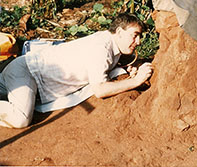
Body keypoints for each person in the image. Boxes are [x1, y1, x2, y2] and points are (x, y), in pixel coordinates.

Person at [0, 13, 153, 128]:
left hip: (34, 82)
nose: (138, 42)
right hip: (27, 72)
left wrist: (127, 69)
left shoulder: (112, 45)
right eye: (135, 35)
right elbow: (100, 90)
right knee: (20, 119)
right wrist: (135, 81)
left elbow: (114, 64)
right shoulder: (101, 48)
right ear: (119, 32)